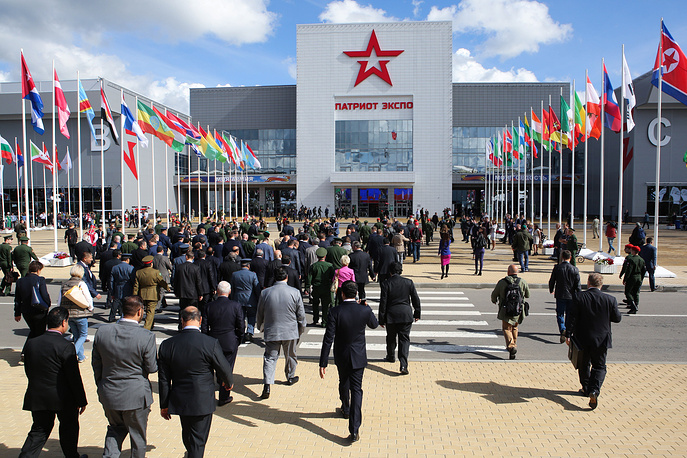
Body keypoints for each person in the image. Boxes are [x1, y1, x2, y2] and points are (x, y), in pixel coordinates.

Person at [158, 306, 233, 458]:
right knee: (199, 440)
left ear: (182, 321)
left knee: (188, 433)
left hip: (180, 399)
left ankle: (191, 453)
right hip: (202, 398)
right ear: (200, 321)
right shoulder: (210, 343)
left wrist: (164, 405)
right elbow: (224, 368)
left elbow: (164, 379)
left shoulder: (167, 344)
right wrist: (228, 382)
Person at [92, 296, 157, 457]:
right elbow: (152, 367)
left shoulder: (103, 332)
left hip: (109, 391)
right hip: (136, 394)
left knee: (115, 429)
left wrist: (101, 385)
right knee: (138, 438)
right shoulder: (146, 336)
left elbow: (96, 365)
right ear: (140, 311)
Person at [19, 306, 88, 457]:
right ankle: (71, 455)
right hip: (63, 398)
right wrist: (81, 400)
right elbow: (73, 377)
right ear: (64, 323)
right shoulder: (65, 346)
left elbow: (28, 370)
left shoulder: (32, 343)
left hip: (38, 395)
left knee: (39, 431)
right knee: (69, 429)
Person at [319, 281, 379, 443]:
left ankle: (345, 408)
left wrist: (323, 362)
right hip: (358, 356)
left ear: (342, 294)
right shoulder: (364, 310)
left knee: (343, 382)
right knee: (357, 389)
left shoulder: (335, 311)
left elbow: (328, 338)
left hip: (342, 355)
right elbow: (374, 324)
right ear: (356, 294)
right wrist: (367, 307)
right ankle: (354, 429)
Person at [565, 273, 622, 410]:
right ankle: (594, 390)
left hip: (582, 337)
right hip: (602, 338)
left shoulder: (579, 297)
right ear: (600, 285)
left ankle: (585, 387)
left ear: (588, 283)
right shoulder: (610, 299)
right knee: (599, 366)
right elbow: (617, 318)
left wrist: (567, 333)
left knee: (583, 364)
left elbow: (571, 317)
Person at [256, 267, 307, 399]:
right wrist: (301, 328)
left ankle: (267, 383)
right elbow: (301, 314)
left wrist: (260, 326)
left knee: (270, 358)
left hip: (272, 330)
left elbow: (260, 312)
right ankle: (290, 376)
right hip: (290, 330)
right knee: (290, 355)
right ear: (287, 277)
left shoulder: (265, 293)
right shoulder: (294, 292)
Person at [201, 281, 244, 405]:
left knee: (214, 365)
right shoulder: (235, 306)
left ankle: (219, 382)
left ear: (217, 291)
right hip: (230, 339)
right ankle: (224, 396)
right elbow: (241, 325)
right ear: (229, 292)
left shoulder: (209, 306)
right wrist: (239, 339)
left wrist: (207, 339)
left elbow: (204, 327)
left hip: (213, 339)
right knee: (228, 367)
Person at [378, 262, 421, 375]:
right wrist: (417, 313)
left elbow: (383, 303)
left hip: (391, 315)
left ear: (390, 272)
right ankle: (403, 364)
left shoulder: (386, 283)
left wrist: (381, 319)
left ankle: (391, 356)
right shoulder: (408, 282)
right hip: (406, 314)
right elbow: (416, 299)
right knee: (404, 339)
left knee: (391, 337)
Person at [491, 264, 530, 360]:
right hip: (518, 310)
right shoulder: (522, 282)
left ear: (508, 272)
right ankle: (514, 344)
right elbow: (528, 294)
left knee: (506, 328)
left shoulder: (502, 282)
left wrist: (494, 300)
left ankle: (511, 346)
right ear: (517, 272)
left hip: (505, 310)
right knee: (515, 327)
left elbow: (494, 294)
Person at [58, 263, 95, 363]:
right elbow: (88, 298)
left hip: (69, 315)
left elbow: (59, 301)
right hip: (81, 313)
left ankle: (81, 356)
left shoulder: (64, 284)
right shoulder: (81, 283)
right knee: (83, 335)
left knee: (76, 335)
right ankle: (73, 351)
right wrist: (90, 308)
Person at [14, 260, 51, 355]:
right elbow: (44, 295)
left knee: (34, 331)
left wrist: (17, 313)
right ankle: (31, 352)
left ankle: (27, 352)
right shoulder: (40, 279)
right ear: (38, 270)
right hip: (39, 310)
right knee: (39, 332)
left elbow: (17, 299)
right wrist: (48, 305)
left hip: (26, 311)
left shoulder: (20, 281)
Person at [548, 250, 581, 343]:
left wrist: (551, 289)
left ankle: (562, 329)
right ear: (570, 257)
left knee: (560, 313)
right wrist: (579, 294)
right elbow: (577, 284)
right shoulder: (574, 269)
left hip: (560, 293)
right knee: (569, 314)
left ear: (562, 257)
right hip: (571, 295)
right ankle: (568, 330)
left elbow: (552, 280)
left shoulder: (557, 267)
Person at [133, 255, 169, 330]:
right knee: (150, 311)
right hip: (153, 293)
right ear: (151, 263)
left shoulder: (139, 272)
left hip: (142, 293)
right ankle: (147, 328)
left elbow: (136, 286)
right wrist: (167, 287)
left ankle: (150, 324)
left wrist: (134, 296)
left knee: (147, 310)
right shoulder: (155, 272)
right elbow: (161, 281)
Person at [230, 258, 261, 342]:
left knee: (241, 317)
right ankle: (249, 332)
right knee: (251, 316)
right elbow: (256, 288)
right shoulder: (253, 275)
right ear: (248, 266)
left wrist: (232, 298)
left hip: (238, 297)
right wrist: (259, 298)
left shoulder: (234, 274)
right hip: (250, 298)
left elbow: (232, 288)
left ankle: (241, 332)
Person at [308, 247, 335, 326]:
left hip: (316, 287)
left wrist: (307, 287)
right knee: (325, 306)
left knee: (315, 305)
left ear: (317, 256)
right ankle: (324, 321)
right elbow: (332, 277)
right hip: (326, 287)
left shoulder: (313, 266)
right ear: (325, 256)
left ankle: (315, 319)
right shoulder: (329, 266)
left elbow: (309, 278)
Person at [619, 244, 646, 314]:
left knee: (628, 292)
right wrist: (641, 278)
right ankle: (636, 305)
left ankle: (633, 306)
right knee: (636, 292)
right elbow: (644, 270)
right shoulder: (641, 259)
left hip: (632, 277)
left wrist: (625, 279)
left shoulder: (631, 259)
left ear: (633, 251)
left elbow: (629, 270)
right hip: (639, 277)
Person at [109, 253, 135, 322]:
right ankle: (125, 315)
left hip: (118, 286)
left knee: (116, 302)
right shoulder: (131, 268)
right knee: (127, 303)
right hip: (128, 286)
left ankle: (111, 316)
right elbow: (133, 279)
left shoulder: (115, 267)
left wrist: (112, 291)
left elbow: (111, 280)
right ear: (127, 260)